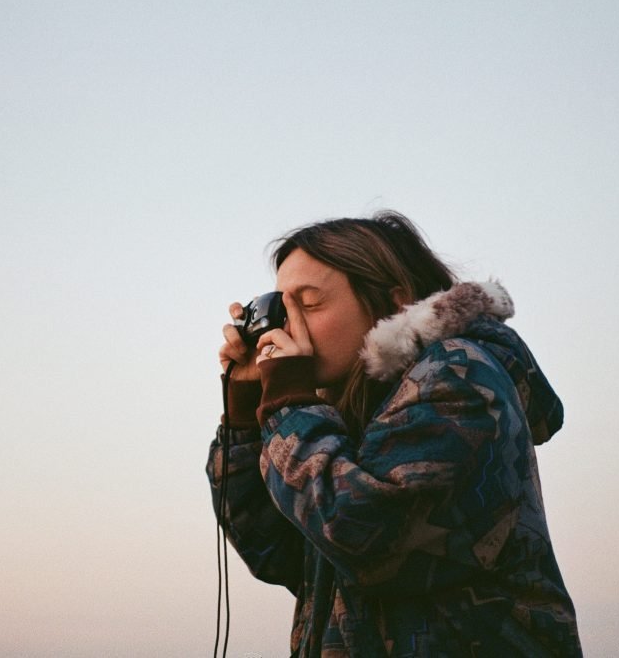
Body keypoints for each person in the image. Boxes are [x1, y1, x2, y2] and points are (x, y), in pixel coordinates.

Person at [208, 212, 581, 656]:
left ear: (394, 304)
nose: (287, 326)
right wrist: (246, 417)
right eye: (281, 308)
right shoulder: (348, 414)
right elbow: (278, 552)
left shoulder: (458, 374)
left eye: (307, 304)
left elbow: (363, 535)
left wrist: (287, 403)